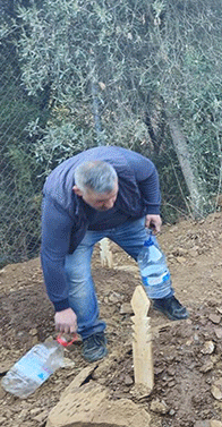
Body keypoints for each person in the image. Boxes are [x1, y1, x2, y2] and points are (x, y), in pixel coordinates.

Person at [40, 146, 189, 362]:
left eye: (112, 196)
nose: (109, 205)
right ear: (78, 192)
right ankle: (91, 332)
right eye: (101, 202)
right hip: (84, 230)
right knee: (76, 276)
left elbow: (149, 173)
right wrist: (61, 307)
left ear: (117, 181)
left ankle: (163, 298)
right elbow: (51, 257)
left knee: (152, 255)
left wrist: (153, 208)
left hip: (127, 221)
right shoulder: (59, 202)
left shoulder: (127, 165)